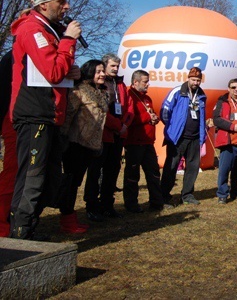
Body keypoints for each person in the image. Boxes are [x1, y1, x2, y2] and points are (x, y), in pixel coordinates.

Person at [10, 0, 81, 239]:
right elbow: (52, 71)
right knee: (33, 178)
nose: (67, 6)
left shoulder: (50, 31)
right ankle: (21, 235)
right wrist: (69, 40)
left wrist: (72, 71)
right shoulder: (32, 29)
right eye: (61, 2)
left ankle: (28, 230)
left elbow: (58, 71)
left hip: (50, 115)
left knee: (49, 181)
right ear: (43, 4)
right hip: (34, 114)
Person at [58, 60, 109, 234]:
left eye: (103, 71)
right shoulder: (79, 91)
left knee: (77, 183)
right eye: (98, 71)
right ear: (89, 72)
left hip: (92, 146)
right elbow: (68, 116)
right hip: (75, 144)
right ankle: (67, 220)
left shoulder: (102, 93)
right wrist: (63, 141)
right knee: (70, 183)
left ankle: (69, 217)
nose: (102, 74)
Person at [84, 53, 133, 221]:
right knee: (95, 172)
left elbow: (128, 107)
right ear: (104, 66)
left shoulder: (120, 84)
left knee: (112, 171)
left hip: (118, 135)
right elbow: (100, 110)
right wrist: (118, 126)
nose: (115, 69)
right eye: (112, 66)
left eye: (117, 66)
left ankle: (107, 205)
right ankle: (91, 206)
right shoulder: (99, 84)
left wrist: (124, 125)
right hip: (102, 135)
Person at [160, 67, 208, 206]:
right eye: (193, 79)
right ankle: (164, 195)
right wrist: (171, 127)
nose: (196, 82)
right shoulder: (177, 92)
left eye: (198, 80)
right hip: (178, 137)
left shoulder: (201, 96)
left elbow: (202, 116)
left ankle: (187, 195)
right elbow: (165, 109)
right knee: (171, 166)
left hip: (194, 137)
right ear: (188, 78)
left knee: (192, 167)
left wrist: (202, 134)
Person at [123, 70, 164, 213]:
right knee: (133, 175)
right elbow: (128, 118)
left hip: (148, 142)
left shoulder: (148, 99)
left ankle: (157, 203)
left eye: (148, 81)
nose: (148, 84)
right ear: (135, 82)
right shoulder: (129, 96)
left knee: (153, 173)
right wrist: (148, 119)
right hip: (134, 142)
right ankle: (131, 205)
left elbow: (149, 113)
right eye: (145, 81)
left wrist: (154, 118)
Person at [0, 52, 17, 237]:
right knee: (12, 172)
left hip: (29, 118)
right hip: (13, 118)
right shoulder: (11, 56)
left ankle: (15, 221)